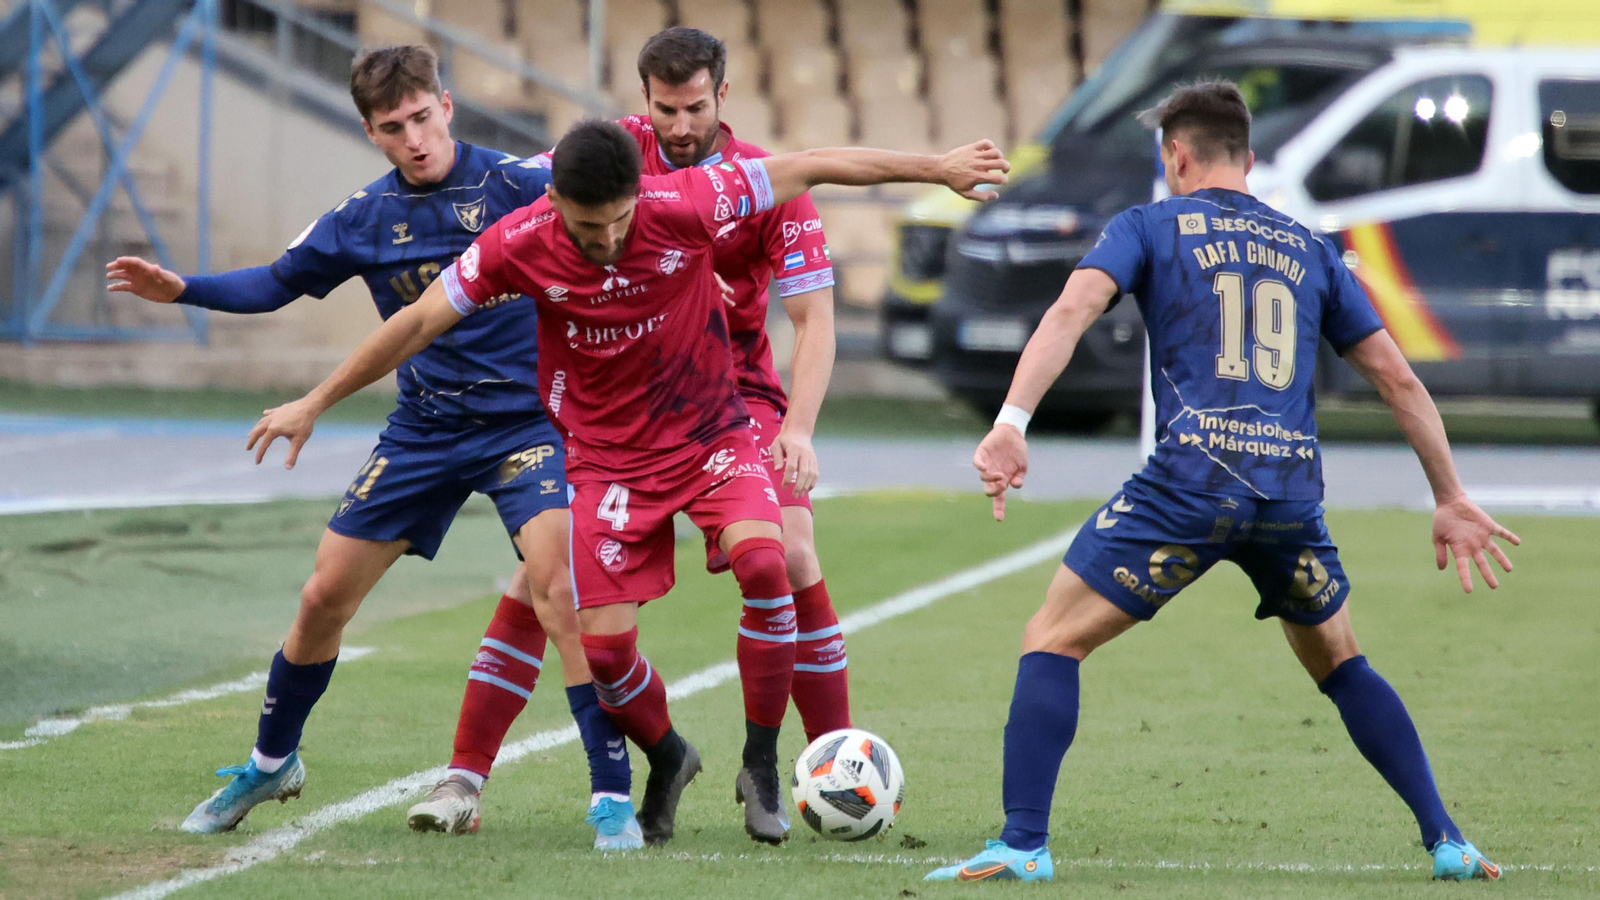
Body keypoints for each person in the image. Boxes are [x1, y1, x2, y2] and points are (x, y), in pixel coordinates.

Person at [246, 119, 1009, 845]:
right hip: (606, 457)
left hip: (712, 430)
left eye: (619, 222)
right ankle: (669, 755)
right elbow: (414, 324)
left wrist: (935, 169)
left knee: (769, 559)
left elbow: (811, 166)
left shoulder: (686, 201)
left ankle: (762, 768)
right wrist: (315, 401)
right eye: (589, 228)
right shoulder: (514, 244)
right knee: (604, 656)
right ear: (555, 206)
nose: (608, 241)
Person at [928, 81, 1516, 884]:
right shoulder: (1312, 248)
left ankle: (1023, 845)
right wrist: (1449, 495)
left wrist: (1011, 423)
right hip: (1287, 501)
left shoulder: (1148, 225)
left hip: (1190, 487)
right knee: (1341, 662)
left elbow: (1071, 311)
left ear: (1177, 156)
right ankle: (1447, 839)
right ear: (1249, 157)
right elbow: (1398, 381)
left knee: (1053, 639)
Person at [105, 45, 640, 848]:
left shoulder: (517, 186)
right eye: (395, 128)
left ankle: (610, 797)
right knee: (323, 597)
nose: (415, 138)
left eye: (424, 117)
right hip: (423, 430)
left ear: (448, 106)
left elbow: (615, 224)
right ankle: (272, 761)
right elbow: (277, 281)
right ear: (371, 132)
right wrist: (185, 289)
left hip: (528, 428)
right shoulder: (362, 217)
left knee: (558, 589)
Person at [429, 26, 855, 830]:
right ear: (644, 102)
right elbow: (512, 193)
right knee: (543, 579)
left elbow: (815, 317)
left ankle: (830, 760)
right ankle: (464, 775)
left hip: (735, 399)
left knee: (789, 554)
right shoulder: (605, 161)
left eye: (696, 107)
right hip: (618, 406)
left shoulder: (760, 184)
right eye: (667, 109)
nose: (682, 125)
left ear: (722, 97)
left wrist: (799, 426)